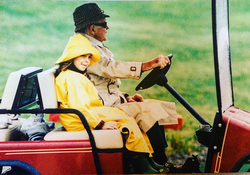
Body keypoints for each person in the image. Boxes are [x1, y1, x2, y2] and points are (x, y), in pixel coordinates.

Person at [70, 2, 178, 167]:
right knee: (151, 112)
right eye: (104, 24)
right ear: (92, 29)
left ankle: (157, 162)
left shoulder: (90, 45)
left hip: (108, 104)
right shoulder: (83, 49)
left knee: (155, 109)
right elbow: (109, 69)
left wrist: (125, 97)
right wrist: (147, 65)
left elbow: (103, 84)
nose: (107, 27)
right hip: (101, 110)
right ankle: (160, 162)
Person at [54, 34, 173, 174]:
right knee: (126, 123)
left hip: (87, 115)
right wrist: (100, 124)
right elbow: (80, 107)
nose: (86, 61)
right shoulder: (71, 78)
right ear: (71, 56)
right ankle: (144, 169)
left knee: (125, 117)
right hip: (79, 120)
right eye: (82, 56)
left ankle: (150, 162)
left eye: (88, 57)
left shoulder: (76, 75)